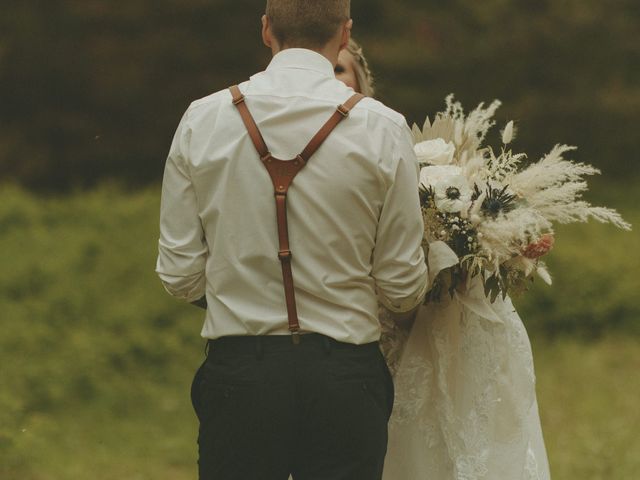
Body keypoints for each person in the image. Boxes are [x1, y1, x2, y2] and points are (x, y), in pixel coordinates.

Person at [155, 1, 428, 479]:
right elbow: (401, 284)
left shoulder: (203, 119)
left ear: (265, 29)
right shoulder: (383, 127)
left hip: (240, 374)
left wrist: (238, 295)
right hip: (346, 379)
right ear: (345, 34)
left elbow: (179, 274)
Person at [335, 40, 552, 480]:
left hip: (414, 328)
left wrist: (491, 244)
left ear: (361, 83)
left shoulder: (400, 151)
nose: (327, 76)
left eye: (339, 69)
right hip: (349, 333)